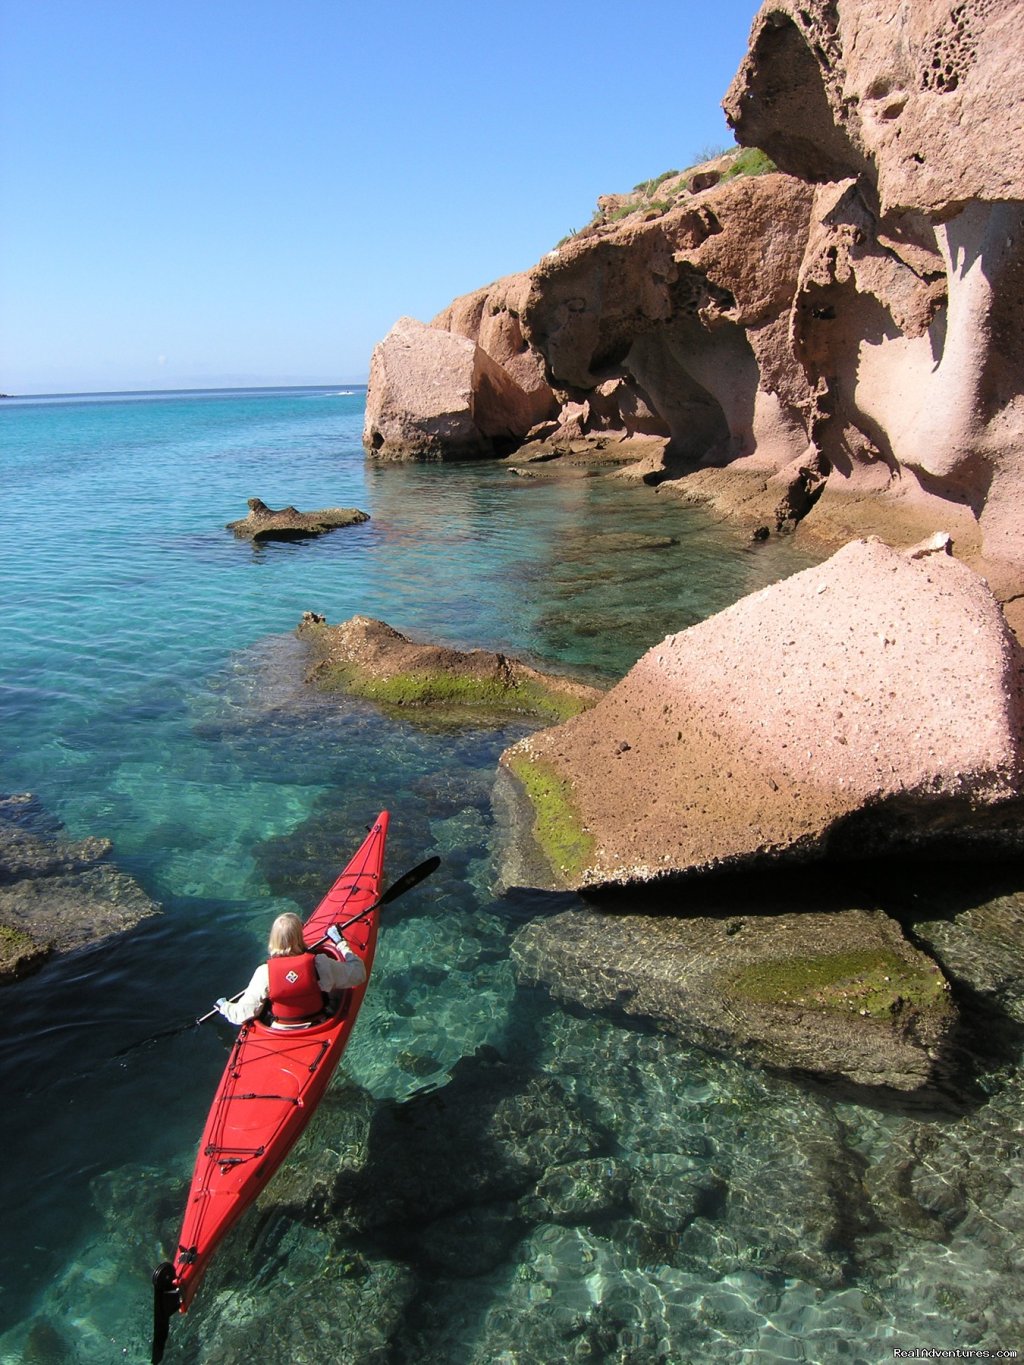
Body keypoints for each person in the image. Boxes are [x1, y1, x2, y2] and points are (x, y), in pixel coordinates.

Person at [216, 912, 366, 1028]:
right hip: (318, 1023)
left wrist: (224, 1006)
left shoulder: (264, 973)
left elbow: (242, 1014)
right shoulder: (320, 963)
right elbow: (359, 973)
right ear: (300, 937)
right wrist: (341, 943)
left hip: (279, 1029)